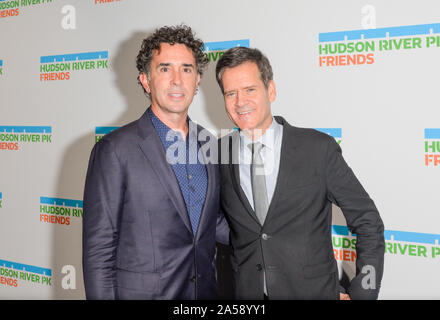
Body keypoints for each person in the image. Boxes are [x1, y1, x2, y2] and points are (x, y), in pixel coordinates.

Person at [216, 47, 385, 300]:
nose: (240, 102)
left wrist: (363, 292)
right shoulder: (218, 153)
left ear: (270, 90)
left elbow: (368, 220)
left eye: (250, 89)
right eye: (231, 93)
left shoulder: (317, 149)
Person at [82, 25, 229, 300]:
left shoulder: (209, 144)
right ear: (146, 80)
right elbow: (99, 251)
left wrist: (273, 234)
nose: (177, 79)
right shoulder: (114, 150)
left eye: (186, 69)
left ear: (197, 80)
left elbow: (212, 223)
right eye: (165, 69)